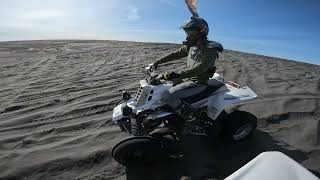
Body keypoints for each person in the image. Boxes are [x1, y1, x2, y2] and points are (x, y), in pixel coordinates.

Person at [152, 17, 223, 120]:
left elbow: (201, 67)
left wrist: (179, 74)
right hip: (186, 78)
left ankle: (188, 116)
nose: (188, 35)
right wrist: (157, 62)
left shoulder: (210, 49)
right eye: (187, 32)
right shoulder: (191, 46)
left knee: (168, 95)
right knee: (160, 85)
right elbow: (175, 54)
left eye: (191, 32)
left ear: (201, 32)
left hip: (198, 82)